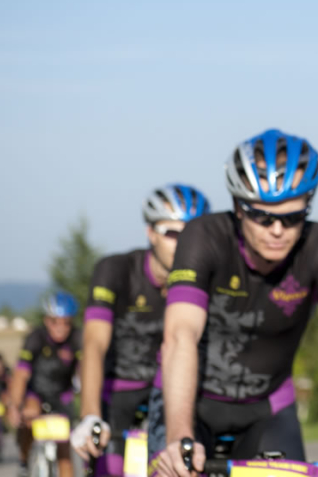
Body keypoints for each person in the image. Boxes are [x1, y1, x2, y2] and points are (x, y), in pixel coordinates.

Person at [150, 129, 318, 477]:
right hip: (189, 401)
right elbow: (180, 336)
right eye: (263, 216)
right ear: (239, 207)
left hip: (268, 408)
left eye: (292, 217)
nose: (277, 230)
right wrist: (179, 436)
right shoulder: (203, 236)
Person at [70, 184, 211, 476]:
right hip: (117, 391)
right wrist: (90, 414)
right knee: (109, 468)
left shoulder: (208, 277)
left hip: (170, 391)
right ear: (150, 233)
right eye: (172, 233)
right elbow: (94, 344)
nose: (183, 244)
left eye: (191, 235)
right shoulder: (115, 270)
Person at [8, 292, 82, 477]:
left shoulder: (77, 338)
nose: (61, 328)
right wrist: (15, 405)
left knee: (64, 451)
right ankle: (24, 461)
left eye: (66, 322)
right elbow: (21, 374)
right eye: (55, 322)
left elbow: (85, 372)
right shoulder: (35, 337)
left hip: (62, 394)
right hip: (36, 393)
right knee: (28, 417)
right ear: (46, 320)